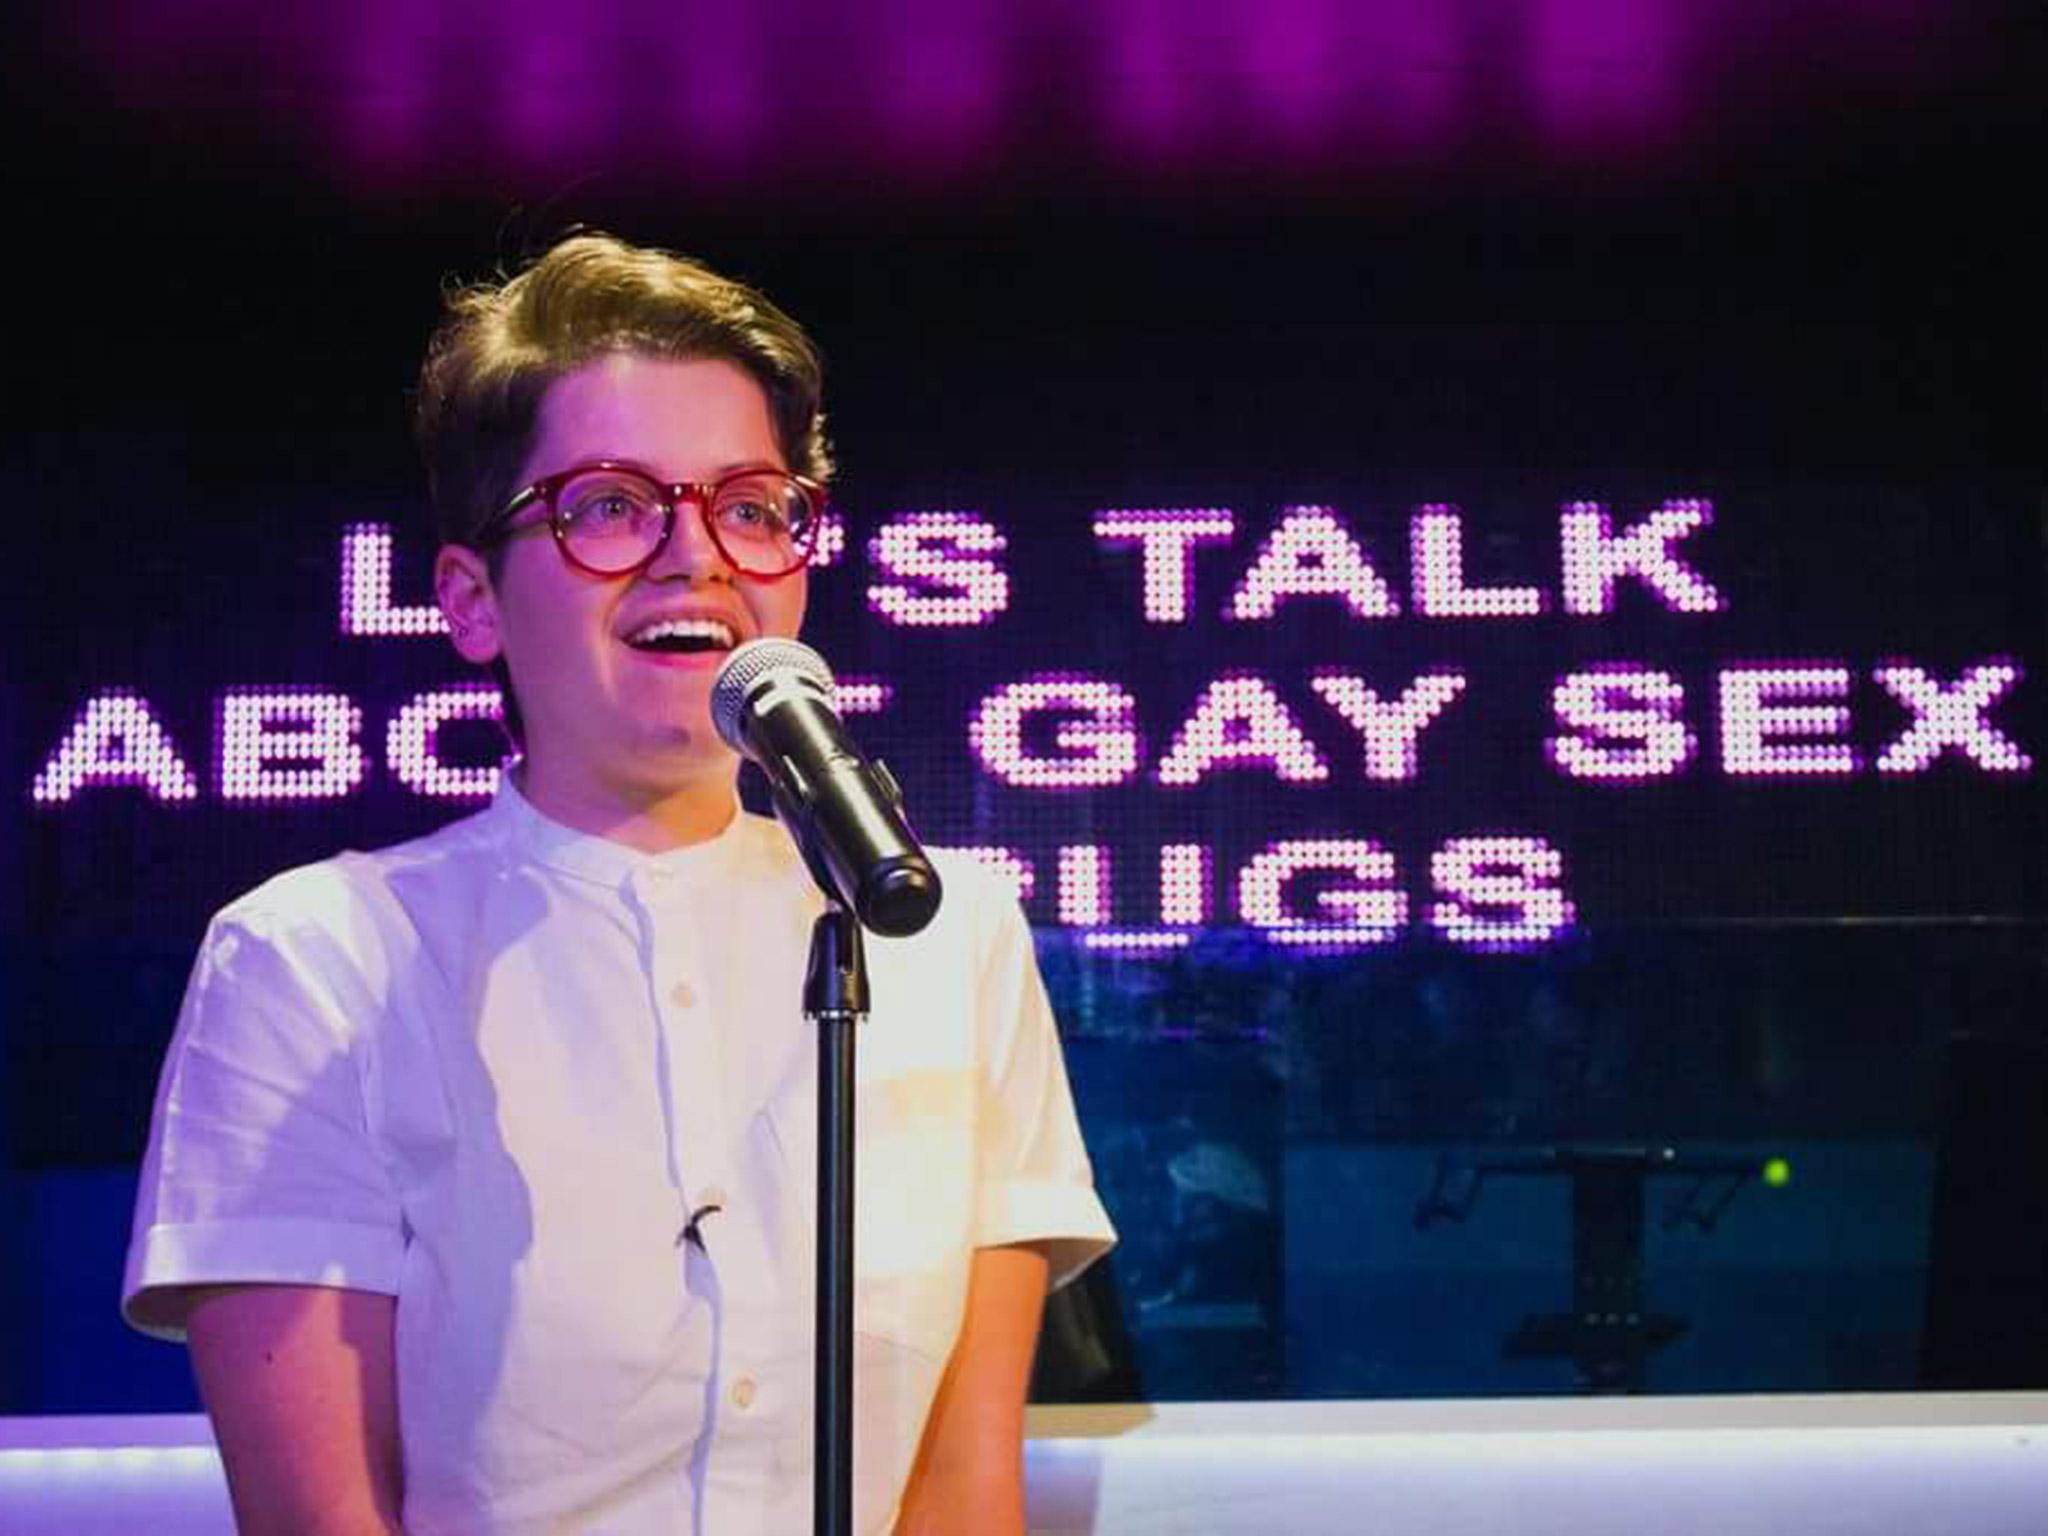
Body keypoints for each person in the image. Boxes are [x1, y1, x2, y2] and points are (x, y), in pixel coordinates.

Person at [121, 232, 1116, 1535]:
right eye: (609, 505)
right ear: (471, 600)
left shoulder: (948, 931)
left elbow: (959, 1492)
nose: (693, 555)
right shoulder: (317, 961)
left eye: (752, 506)